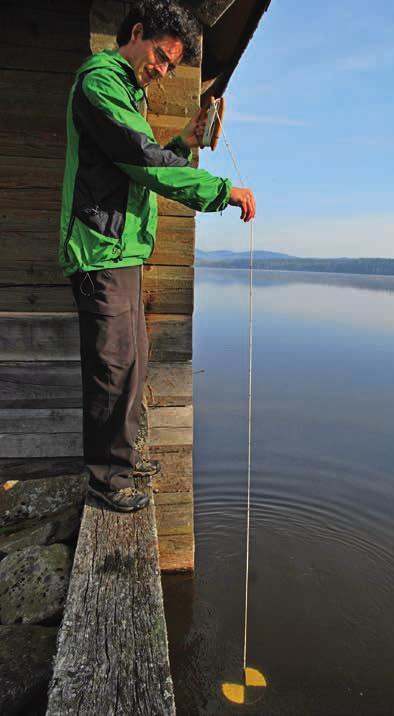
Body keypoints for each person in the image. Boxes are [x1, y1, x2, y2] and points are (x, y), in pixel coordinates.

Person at [58, 0, 256, 513]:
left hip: (120, 250)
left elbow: (134, 160)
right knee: (111, 371)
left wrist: (184, 139)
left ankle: (120, 462)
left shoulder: (126, 93)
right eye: (163, 58)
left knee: (131, 364)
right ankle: (107, 483)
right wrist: (221, 191)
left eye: (171, 66)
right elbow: (144, 162)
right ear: (139, 32)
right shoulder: (100, 81)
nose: (163, 72)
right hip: (99, 250)